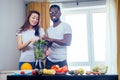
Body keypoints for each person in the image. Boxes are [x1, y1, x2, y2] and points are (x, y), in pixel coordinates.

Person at [43, 4, 72, 69]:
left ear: (60, 14)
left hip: (61, 62)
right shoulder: (48, 29)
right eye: (51, 12)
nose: (53, 14)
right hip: (49, 61)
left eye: (55, 12)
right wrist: (45, 42)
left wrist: (52, 40)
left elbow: (67, 42)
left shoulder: (66, 26)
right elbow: (48, 45)